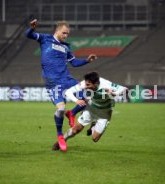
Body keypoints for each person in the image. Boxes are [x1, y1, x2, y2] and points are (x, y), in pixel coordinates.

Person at [25, 19, 97, 151]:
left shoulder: (66, 47)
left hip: (67, 79)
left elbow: (74, 63)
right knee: (60, 109)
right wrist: (32, 28)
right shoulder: (45, 39)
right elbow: (28, 35)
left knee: (88, 96)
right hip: (52, 82)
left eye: (67, 34)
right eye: (64, 33)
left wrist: (87, 60)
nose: (66, 36)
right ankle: (60, 135)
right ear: (57, 31)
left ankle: (72, 113)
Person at [52, 71, 128, 151]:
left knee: (95, 139)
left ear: (96, 83)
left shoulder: (106, 85)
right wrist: (76, 100)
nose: (86, 86)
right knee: (76, 129)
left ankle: (93, 126)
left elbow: (125, 90)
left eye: (88, 85)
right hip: (91, 109)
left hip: (104, 113)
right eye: (86, 84)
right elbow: (68, 92)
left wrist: (115, 93)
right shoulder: (84, 84)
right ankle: (61, 141)